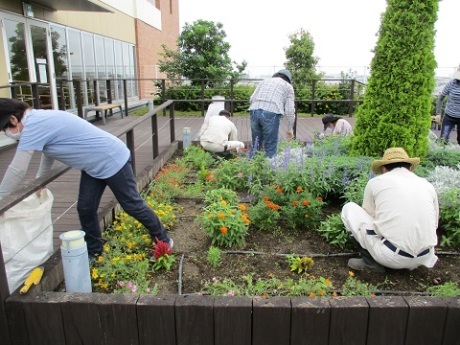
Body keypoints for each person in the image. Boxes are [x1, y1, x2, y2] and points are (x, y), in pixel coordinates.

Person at [0, 98, 172, 258]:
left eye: (5, 128)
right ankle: (95, 251)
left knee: (132, 204)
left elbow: (17, 170)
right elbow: (47, 152)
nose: (6, 132)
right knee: (85, 208)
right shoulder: (36, 121)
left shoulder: (33, 124)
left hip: (112, 159)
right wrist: (40, 180)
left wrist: (1, 199)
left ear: (14, 120)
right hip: (93, 166)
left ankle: (164, 240)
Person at [341, 147, 439, 272]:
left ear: (384, 169)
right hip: (425, 257)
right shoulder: (427, 185)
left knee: (349, 209)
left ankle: (370, 262)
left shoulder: (375, 182)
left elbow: (370, 215)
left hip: (391, 257)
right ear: (409, 168)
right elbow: (435, 223)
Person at [249, 69, 295, 158]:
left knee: (256, 143)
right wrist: (290, 128)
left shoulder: (264, 81)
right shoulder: (288, 86)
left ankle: (252, 169)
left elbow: (251, 98)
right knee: (270, 145)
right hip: (271, 112)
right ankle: (269, 169)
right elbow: (289, 110)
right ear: (288, 79)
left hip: (254, 110)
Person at [435, 65, 460, 144]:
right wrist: (438, 113)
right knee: (443, 139)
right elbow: (440, 98)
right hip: (449, 117)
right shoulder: (451, 83)